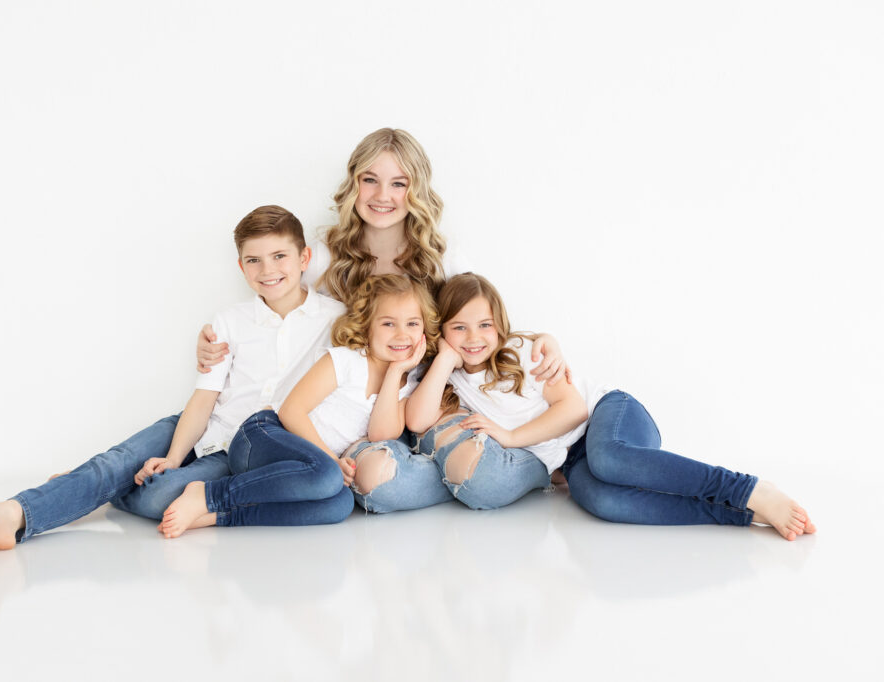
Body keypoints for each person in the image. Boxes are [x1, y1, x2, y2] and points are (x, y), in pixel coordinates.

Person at [195, 128, 568, 510]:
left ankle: (532, 464)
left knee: (480, 476)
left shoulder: (441, 256)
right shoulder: (325, 258)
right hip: (358, 414)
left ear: (417, 189)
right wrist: (217, 341)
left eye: (398, 183)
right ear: (353, 184)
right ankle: (461, 475)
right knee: (376, 488)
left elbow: (478, 319)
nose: (382, 196)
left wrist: (540, 338)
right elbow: (277, 299)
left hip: (425, 402)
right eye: (369, 180)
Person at [0, 205, 348, 549]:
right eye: (254, 260)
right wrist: (174, 456)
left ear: (304, 258)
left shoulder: (335, 320)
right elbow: (204, 398)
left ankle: (94, 491)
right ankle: (14, 514)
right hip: (202, 425)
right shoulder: (230, 321)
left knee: (160, 497)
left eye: (279, 256)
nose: (268, 270)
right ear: (240, 266)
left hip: (245, 452)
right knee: (114, 462)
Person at [405, 273, 816, 540]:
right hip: (573, 457)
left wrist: (511, 437)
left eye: (484, 325)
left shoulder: (521, 352)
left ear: (501, 325)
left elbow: (573, 411)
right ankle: (740, 513)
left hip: (610, 414)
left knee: (609, 460)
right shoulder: (451, 378)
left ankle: (747, 488)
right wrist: (443, 358)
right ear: (443, 332)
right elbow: (419, 419)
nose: (473, 338)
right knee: (603, 502)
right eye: (459, 328)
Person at [159, 274, 436, 536]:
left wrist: (396, 373)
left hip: (301, 468)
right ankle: (208, 495)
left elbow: (381, 434)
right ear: (366, 325)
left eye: (412, 324)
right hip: (261, 437)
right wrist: (330, 458)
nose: (402, 335)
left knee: (340, 504)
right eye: (388, 324)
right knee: (328, 475)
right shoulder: (346, 360)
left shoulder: (407, 383)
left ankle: (221, 515)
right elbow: (291, 411)